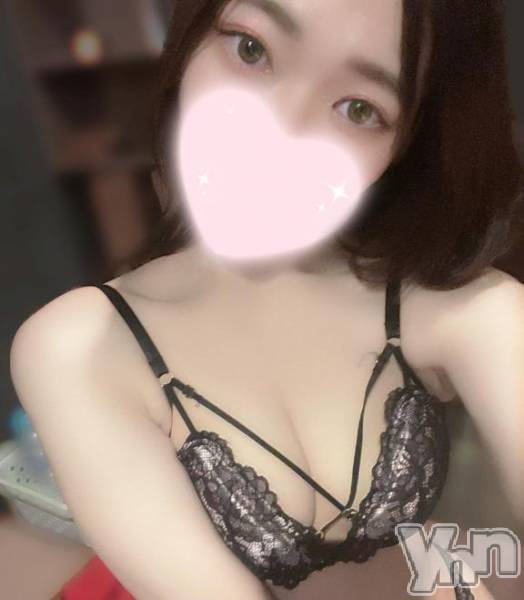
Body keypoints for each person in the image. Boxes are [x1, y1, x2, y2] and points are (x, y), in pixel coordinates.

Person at [10, 0, 524, 598]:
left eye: (359, 109)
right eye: (250, 50)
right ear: (190, 41)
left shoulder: (462, 311)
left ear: (403, 147)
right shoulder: (78, 347)